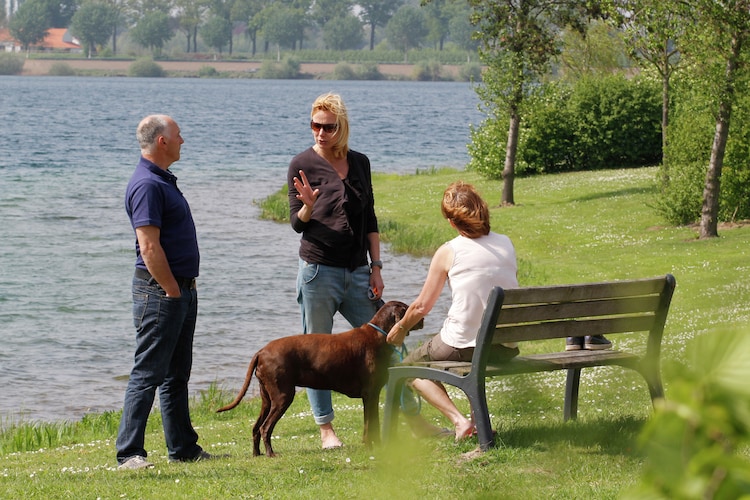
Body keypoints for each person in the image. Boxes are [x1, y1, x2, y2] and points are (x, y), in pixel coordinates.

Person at [116, 114, 215, 470]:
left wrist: (182, 290)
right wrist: (172, 290)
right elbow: (149, 247)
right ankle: (129, 453)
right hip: (160, 292)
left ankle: (183, 449)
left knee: (176, 374)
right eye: (178, 135)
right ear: (162, 141)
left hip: (180, 291)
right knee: (148, 372)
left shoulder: (162, 180)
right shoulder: (146, 184)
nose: (182, 141)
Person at [287, 93, 385, 450]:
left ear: (341, 127)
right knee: (317, 353)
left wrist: (376, 267)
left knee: (390, 343)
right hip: (318, 272)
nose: (320, 133)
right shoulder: (301, 163)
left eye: (328, 127)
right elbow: (296, 225)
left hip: (359, 271)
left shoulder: (360, 162)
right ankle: (326, 429)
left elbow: (370, 218)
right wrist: (307, 208)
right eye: (315, 125)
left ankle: (412, 415)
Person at [386, 181, 519, 441]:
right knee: (474, 348)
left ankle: (460, 422)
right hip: (505, 347)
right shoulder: (506, 244)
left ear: (452, 222)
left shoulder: (449, 251)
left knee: (408, 367)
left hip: (464, 345)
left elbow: (422, 306)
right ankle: (478, 424)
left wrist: (401, 329)